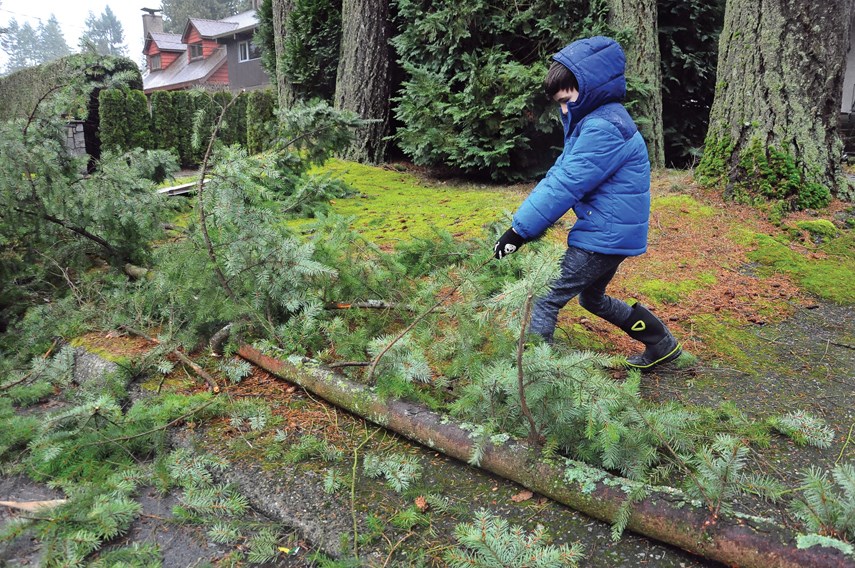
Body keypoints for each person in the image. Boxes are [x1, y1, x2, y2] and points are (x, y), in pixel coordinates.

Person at [492, 36, 681, 370]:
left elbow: (565, 184)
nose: (564, 109)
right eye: (559, 103)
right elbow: (563, 171)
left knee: (544, 298)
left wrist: (518, 232)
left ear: (590, 86)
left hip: (602, 236)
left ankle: (534, 378)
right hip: (612, 233)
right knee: (591, 299)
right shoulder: (602, 119)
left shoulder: (603, 128)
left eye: (567, 99)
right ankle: (662, 344)